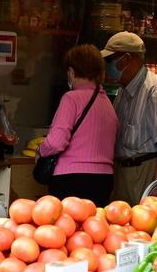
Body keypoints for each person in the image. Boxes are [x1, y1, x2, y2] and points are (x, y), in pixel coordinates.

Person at [102, 32, 157, 205]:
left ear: (127, 59)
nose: (108, 66)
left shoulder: (155, 88)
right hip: (125, 172)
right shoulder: (123, 90)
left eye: (111, 60)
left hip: (147, 170)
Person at [37, 44, 118, 206]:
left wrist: (41, 150)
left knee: (66, 228)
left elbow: (56, 142)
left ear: (72, 72)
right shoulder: (107, 102)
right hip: (104, 179)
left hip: (71, 178)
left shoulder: (71, 98)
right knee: (94, 229)